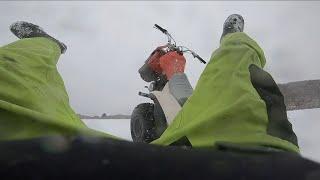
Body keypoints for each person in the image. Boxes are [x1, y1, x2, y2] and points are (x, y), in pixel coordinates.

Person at [0, 15, 298, 153]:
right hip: (233, 156)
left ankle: (43, 44)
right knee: (238, 73)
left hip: (60, 157)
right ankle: (233, 42)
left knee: (9, 79)